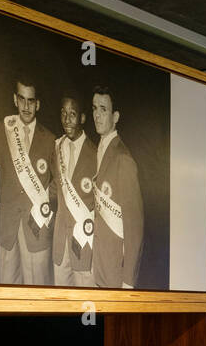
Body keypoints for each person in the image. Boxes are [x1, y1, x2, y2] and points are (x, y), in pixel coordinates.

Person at [0, 77, 57, 285]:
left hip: (36, 227)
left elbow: (59, 183)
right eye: (22, 99)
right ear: (15, 100)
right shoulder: (4, 128)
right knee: (7, 294)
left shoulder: (51, 139)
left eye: (31, 101)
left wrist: (44, 201)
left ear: (38, 104)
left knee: (38, 296)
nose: (26, 106)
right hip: (8, 226)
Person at [89, 86, 144, 289]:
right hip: (98, 262)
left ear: (116, 116)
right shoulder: (99, 150)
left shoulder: (123, 159)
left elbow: (135, 227)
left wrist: (128, 280)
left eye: (103, 109)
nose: (97, 115)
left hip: (115, 271)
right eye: (94, 108)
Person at [49, 95, 97, 287]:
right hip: (61, 242)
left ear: (83, 118)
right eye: (63, 113)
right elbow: (56, 187)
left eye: (73, 114)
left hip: (84, 243)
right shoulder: (57, 148)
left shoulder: (96, 154)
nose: (67, 119)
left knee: (86, 300)